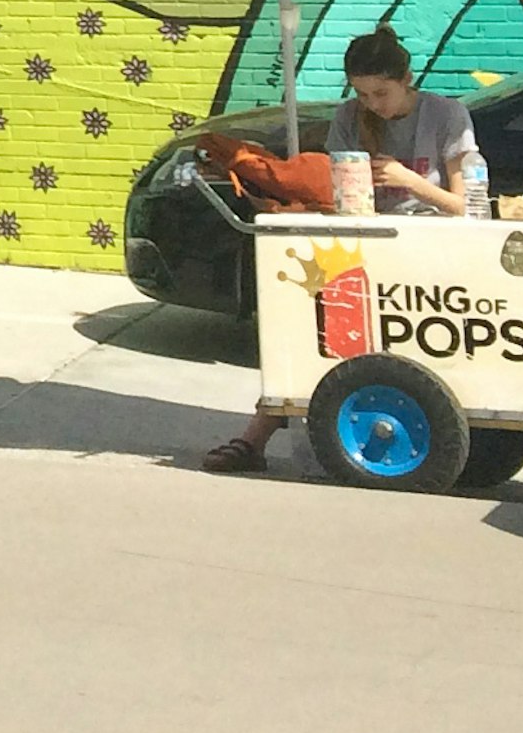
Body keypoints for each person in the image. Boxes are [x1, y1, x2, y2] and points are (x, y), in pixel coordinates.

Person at [200, 26, 479, 474]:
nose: (373, 105)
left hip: (433, 250)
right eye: (364, 94)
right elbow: (339, 195)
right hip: (365, 245)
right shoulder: (350, 119)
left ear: (407, 78)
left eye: (381, 93)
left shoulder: (447, 115)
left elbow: (467, 206)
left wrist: (412, 184)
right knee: (313, 332)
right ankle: (256, 436)